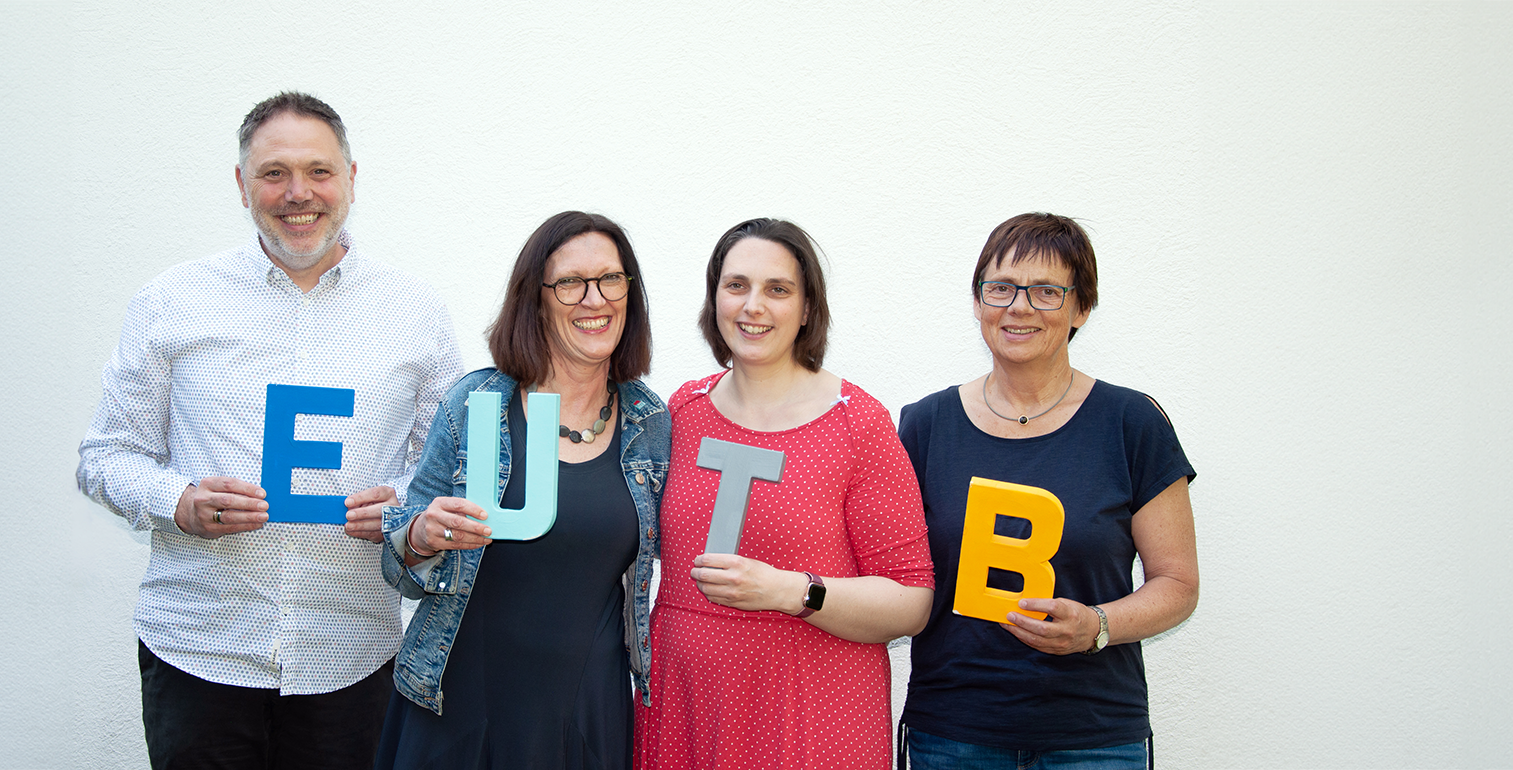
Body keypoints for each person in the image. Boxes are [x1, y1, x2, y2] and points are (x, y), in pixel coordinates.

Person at [76, 91, 463, 770]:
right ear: (241, 184)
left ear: (350, 178)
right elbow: (106, 456)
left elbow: (446, 468)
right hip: (198, 649)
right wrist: (178, 502)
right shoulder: (173, 300)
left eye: (318, 171)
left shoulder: (415, 312)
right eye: (274, 173)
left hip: (351, 654)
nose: (297, 193)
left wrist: (405, 503)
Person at [898, 213, 1199, 769]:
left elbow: (1178, 584)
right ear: (978, 301)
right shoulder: (924, 425)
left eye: (1047, 291)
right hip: (953, 731)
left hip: (1094, 736)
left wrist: (1098, 628)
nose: (1019, 306)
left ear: (1081, 307)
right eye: (1001, 287)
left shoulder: (1132, 423)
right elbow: (894, 573)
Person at [634, 218, 935, 770]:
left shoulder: (856, 424)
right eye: (737, 285)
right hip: (688, 704)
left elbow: (911, 600)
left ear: (806, 308)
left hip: (813, 712)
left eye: (778, 290)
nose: (754, 306)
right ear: (714, 297)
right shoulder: (681, 411)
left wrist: (794, 592)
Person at [374, 211, 669, 769]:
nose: (594, 299)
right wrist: (422, 534)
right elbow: (399, 563)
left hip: (586, 709)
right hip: (459, 701)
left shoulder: (649, 421)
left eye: (611, 279)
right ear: (535, 299)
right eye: (569, 284)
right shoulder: (477, 402)